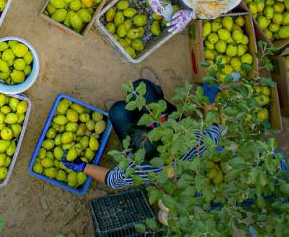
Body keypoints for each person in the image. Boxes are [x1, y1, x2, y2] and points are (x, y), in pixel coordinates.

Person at [61, 73, 222, 189]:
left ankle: (130, 108)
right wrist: (209, 100)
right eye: (150, 126)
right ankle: (155, 93)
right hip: (170, 122)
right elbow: (213, 125)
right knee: (140, 87)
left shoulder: (141, 169)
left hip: (166, 128)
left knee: (117, 112)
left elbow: (112, 180)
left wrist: (82, 167)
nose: (151, 125)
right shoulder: (201, 141)